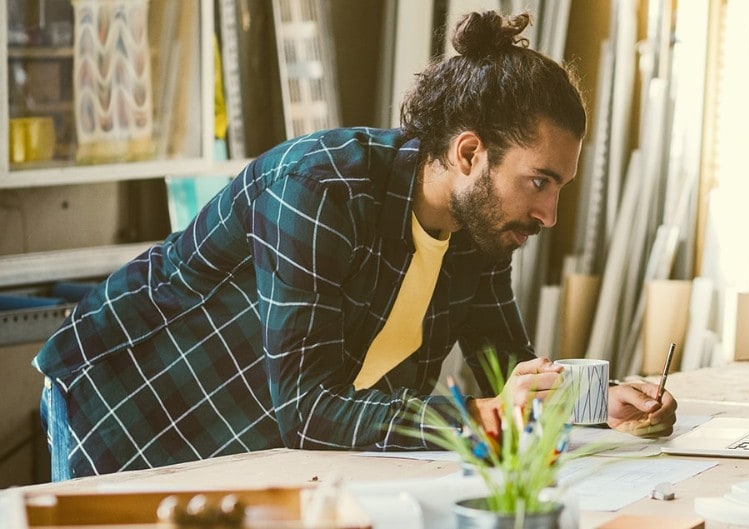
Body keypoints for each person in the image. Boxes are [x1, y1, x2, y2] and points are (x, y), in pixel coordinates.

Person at [34, 11, 677, 481]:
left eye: (559, 188)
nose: (549, 213)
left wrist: (595, 401)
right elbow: (309, 410)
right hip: (123, 401)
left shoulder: (480, 235)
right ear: (470, 153)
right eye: (538, 182)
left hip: (251, 429)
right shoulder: (319, 188)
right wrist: (486, 414)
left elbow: (505, 373)